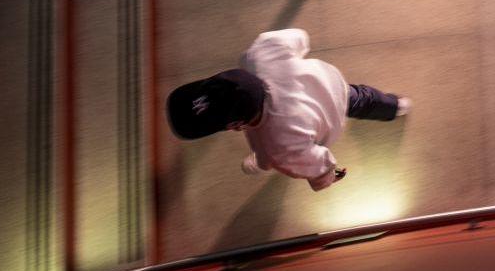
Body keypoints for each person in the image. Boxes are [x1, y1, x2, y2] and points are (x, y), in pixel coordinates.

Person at [166, 28, 411, 191]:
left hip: (324, 121)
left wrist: (326, 178)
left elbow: (318, 162)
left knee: (266, 156)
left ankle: (260, 165)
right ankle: (395, 106)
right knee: (365, 99)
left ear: (235, 126)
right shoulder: (260, 54)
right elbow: (299, 37)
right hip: (332, 85)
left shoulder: (280, 146)